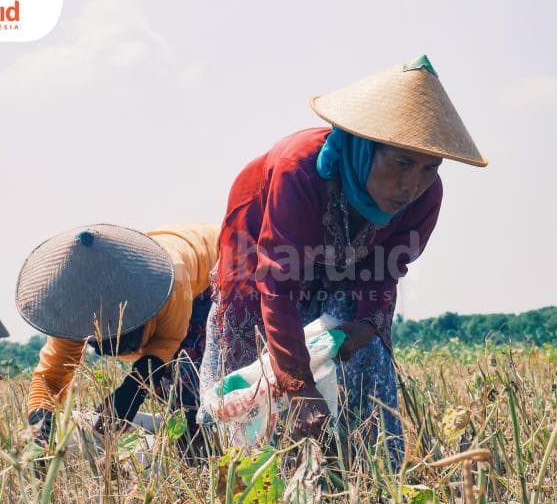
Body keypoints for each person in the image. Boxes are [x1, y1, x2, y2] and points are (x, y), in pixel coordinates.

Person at [198, 56, 487, 462]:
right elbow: (277, 284)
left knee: (360, 353)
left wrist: (367, 322)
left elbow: (387, 268)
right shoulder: (300, 170)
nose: (411, 185)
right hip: (261, 255)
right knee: (252, 368)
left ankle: (360, 469)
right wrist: (299, 387)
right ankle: (244, 467)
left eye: (429, 168)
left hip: (352, 267)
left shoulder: (426, 196)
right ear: (366, 147)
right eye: (401, 163)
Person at [16, 223, 218, 454]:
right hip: (175, 268)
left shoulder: (170, 282)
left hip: (210, 271)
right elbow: (50, 377)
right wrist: (40, 426)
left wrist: (131, 390)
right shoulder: (75, 311)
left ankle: (201, 444)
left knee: (189, 378)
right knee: (164, 387)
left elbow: (168, 341)